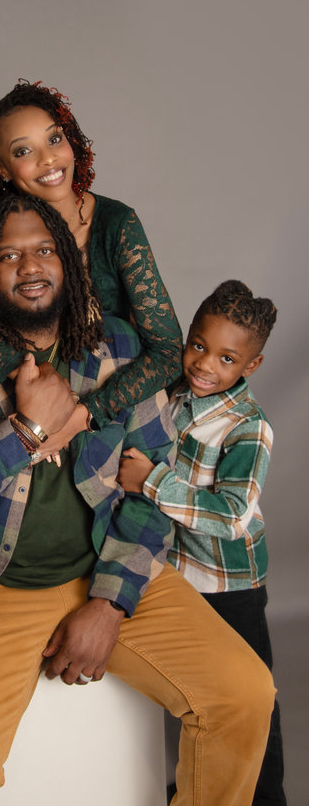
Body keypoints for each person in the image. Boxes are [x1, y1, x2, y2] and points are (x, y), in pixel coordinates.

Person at [0, 194, 274, 806]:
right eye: (8, 255)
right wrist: (22, 434)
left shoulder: (121, 350)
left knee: (245, 693)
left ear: (67, 261)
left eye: (44, 250)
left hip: (108, 566)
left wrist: (111, 604)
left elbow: (151, 487)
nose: (31, 266)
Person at [0, 80, 183, 453]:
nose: (47, 159)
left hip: (107, 417)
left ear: (72, 140)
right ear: (2, 168)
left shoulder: (116, 224)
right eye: (24, 150)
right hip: (16, 408)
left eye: (54, 139)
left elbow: (169, 352)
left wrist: (81, 417)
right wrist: (17, 369)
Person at [119, 279, 286, 805]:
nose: (205, 365)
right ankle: (199, 778)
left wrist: (150, 481)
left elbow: (232, 516)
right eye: (198, 345)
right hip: (177, 572)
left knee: (251, 696)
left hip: (229, 582)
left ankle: (265, 795)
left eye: (226, 359)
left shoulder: (247, 428)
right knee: (196, 686)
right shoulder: (177, 393)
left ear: (250, 367)